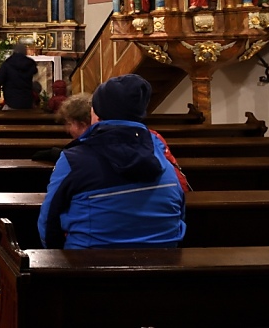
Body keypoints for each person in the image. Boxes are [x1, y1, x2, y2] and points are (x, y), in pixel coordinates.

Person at [37, 74, 186, 249]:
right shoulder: (159, 150)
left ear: (96, 113)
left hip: (90, 268)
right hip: (164, 266)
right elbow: (179, 210)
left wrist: (56, 262)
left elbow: (48, 223)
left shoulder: (73, 159)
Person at [0, 43, 38, 109]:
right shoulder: (30, 63)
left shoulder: (7, 63)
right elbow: (35, 75)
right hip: (27, 100)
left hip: (11, 100)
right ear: (25, 51)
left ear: (14, 51)